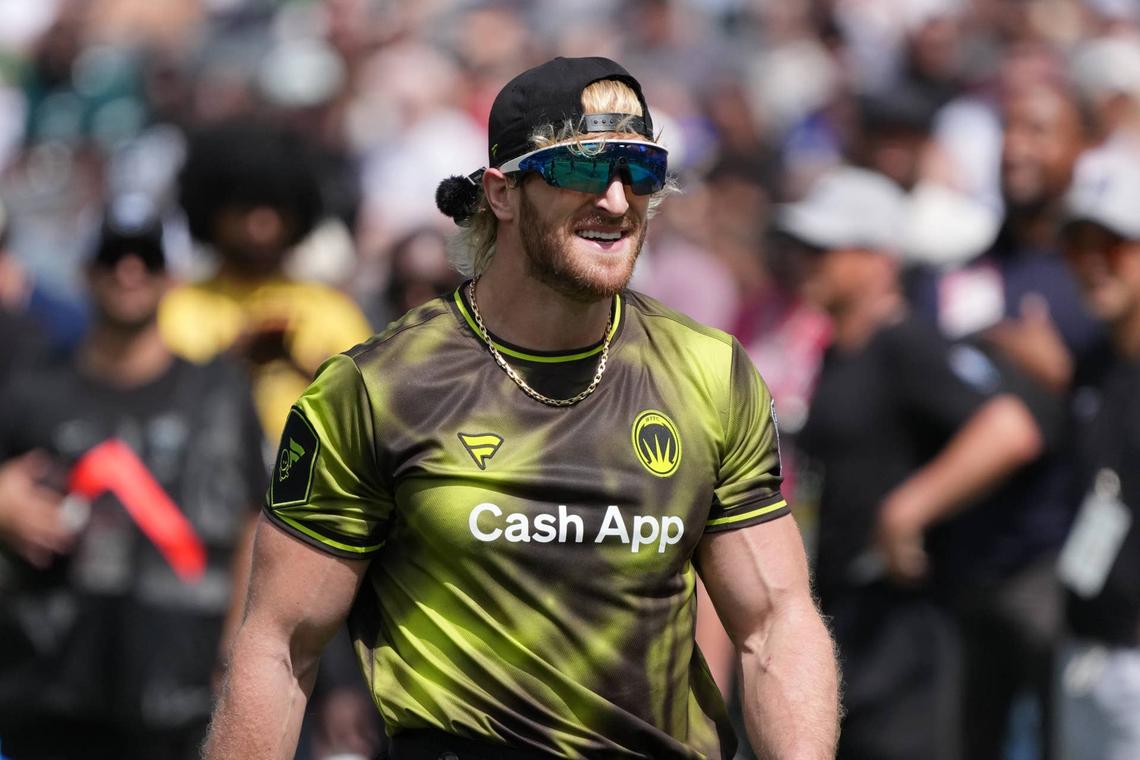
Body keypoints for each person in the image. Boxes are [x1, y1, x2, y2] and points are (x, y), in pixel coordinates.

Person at [205, 56, 840, 760]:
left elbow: (775, 623)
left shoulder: (711, 372)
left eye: (641, 171)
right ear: (502, 195)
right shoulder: (377, 389)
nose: (618, 201)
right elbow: (278, 648)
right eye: (583, 168)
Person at [780, 166, 1048, 760]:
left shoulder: (907, 344)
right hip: (849, 626)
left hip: (905, 636)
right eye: (803, 247)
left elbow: (1010, 429)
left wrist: (910, 508)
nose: (806, 260)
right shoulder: (837, 352)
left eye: (825, 248)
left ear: (879, 259)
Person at [0, 197, 265, 759]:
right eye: (113, 254)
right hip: (48, 696)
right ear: (84, 270)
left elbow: (253, 526)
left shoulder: (220, 393)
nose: (129, 270)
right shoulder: (28, 390)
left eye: (145, 255)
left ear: (174, 276)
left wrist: (237, 662)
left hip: (183, 697)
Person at [158, 117, 373, 443]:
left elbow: (372, 411)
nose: (262, 223)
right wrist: (234, 361)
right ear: (212, 209)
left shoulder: (332, 309)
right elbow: (163, 406)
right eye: (245, 208)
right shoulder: (177, 309)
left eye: (276, 207)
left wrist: (297, 363)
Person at [1055, 146, 1140, 760]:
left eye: (1111, 248)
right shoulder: (1092, 362)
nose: (1091, 266)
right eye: (1077, 249)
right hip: (1086, 648)